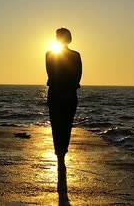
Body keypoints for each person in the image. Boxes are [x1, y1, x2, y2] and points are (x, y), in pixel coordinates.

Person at [46, 27, 82, 171]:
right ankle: (61, 154)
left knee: (58, 125)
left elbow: (51, 73)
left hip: (57, 93)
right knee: (66, 125)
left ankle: (60, 155)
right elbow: (78, 74)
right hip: (68, 93)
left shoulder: (50, 54)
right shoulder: (75, 55)